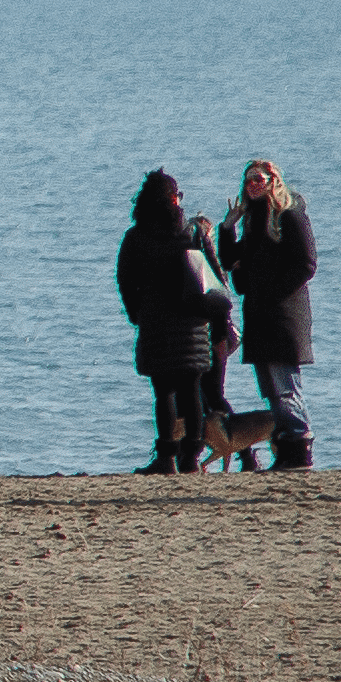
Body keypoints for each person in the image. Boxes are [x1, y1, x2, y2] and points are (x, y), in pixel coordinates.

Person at [116, 172, 224, 474]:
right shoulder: (193, 232)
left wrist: (136, 314)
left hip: (155, 324)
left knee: (163, 391)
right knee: (191, 389)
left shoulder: (135, 237)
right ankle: (191, 455)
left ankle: (166, 456)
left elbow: (125, 282)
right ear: (175, 198)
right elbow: (216, 278)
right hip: (193, 323)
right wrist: (216, 322)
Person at [220, 161, 320, 472]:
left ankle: (299, 446)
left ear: (273, 180)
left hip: (284, 314)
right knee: (269, 388)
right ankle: (286, 448)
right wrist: (227, 227)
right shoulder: (252, 220)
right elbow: (230, 260)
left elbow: (306, 264)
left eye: (259, 179)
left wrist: (270, 289)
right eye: (248, 180)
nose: (253, 185)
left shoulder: (290, 215)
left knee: (285, 384)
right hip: (259, 314)